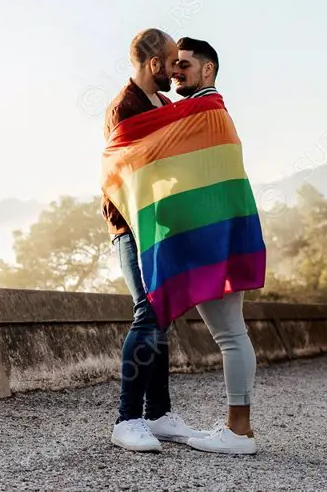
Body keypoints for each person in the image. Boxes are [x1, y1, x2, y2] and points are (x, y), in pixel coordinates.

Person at [103, 28, 205, 452]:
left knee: (161, 313)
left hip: (162, 225)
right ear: (153, 64)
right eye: (172, 62)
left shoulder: (163, 104)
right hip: (130, 226)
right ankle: (127, 419)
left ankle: (159, 414)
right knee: (147, 311)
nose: (177, 69)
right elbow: (126, 174)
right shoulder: (123, 109)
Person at [171, 37, 259, 455]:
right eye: (173, 64)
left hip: (215, 239)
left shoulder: (203, 109)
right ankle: (236, 427)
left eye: (184, 64)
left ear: (208, 70)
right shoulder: (209, 110)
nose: (175, 71)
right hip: (219, 235)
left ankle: (238, 432)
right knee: (231, 332)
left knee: (229, 334)